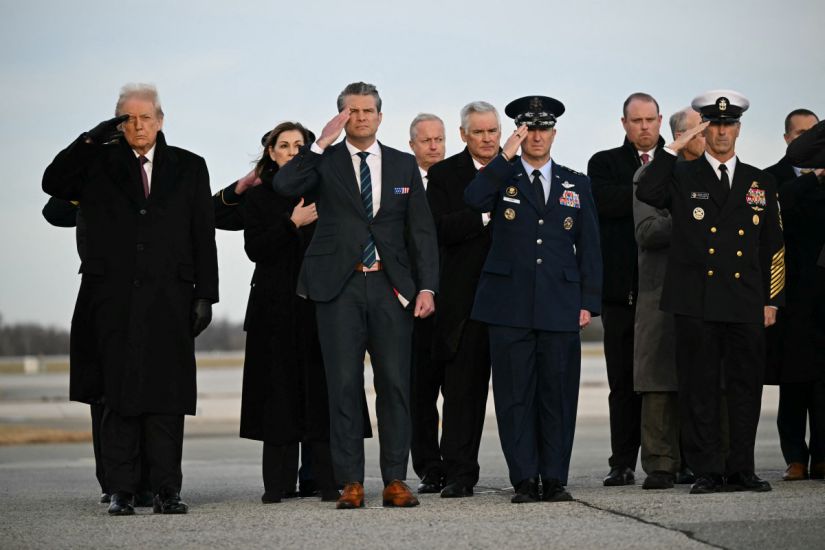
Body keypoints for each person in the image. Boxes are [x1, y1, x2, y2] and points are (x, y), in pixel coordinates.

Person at [42, 83, 218, 515]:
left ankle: (166, 489)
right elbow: (53, 182)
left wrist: (205, 295)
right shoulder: (97, 163)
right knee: (115, 394)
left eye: (145, 118)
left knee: (166, 395)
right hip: (111, 297)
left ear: (160, 120)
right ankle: (120, 489)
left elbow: (202, 234)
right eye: (128, 119)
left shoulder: (190, 166)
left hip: (169, 297)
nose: (138, 126)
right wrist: (89, 139)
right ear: (117, 123)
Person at [272, 82, 439, 509]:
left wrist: (426, 286)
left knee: (395, 386)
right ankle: (350, 481)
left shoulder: (403, 165)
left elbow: (420, 230)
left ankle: (395, 480)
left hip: (391, 287)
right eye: (352, 111)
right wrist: (322, 141)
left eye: (368, 110)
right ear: (341, 116)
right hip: (338, 286)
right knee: (343, 386)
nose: (361, 117)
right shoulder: (323, 162)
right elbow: (285, 185)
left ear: (380, 117)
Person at [636, 89, 784, 494]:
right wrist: (673, 148)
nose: (721, 132)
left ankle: (742, 469)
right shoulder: (682, 174)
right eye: (714, 125)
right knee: (699, 389)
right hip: (695, 299)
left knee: (744, 388)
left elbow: (774, 244)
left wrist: (772, 299)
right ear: (704, 129)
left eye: (728, 124)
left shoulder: (761, 181)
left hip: (745, 299)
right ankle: (706, 471)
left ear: (738, 129)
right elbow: (647, 192)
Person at [465, 95, 601, 503]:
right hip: (507, 305)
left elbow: (590, 246)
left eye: (544, 129)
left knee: (558, 394)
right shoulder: (501, 176)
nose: (537, 136)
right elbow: (472, 199)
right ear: (519, 134)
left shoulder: (576, 183)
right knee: (514, 396)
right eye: (530, 129)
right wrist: (504, 155)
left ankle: (555, 478)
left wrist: (588, 302)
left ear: (554, 134)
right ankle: (525, 478)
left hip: (560, 304)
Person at [421, 101, 499, 497]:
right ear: (465, 134)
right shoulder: (445, 174)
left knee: (516, 395)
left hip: (513, 302)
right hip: (464, 304)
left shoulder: (519, 169)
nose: (487, 139)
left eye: (493, 132)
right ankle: (459, 474)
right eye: (479, 132)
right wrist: (484, 215)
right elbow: (439, 228)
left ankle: (533, 473)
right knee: (462, 396)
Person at [588, 92, 665, 486]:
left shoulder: (677, 163)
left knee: (667, 382)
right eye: (636, 121)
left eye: (650, 119)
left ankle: (672, 459)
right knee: (622, 383)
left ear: (660, 120)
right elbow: (608, 204)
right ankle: (622, 461)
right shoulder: (604, 163)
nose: (644, 127)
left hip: (667, 296)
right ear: (624, 124)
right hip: (620, 293)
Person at [631, 107, 705, 490]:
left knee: (705, 377)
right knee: (659, 380)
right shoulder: (650, 174)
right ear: (679, 136)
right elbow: (647, 230)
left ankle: (701, 459)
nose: (706, 137)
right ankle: (661, 463)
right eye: (699, 130)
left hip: (706, 293)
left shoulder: (716, 175)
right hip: (660, 292)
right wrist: (696, 218)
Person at [764, 109, 825, 481]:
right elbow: (780, 205)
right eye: (800, 134)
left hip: (823, 295)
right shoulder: (773, 177)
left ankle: (822, 455)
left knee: (822, 384)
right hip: (789, 294)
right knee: (793, 381)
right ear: (788, 139)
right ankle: (795, 457)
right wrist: (814, 180)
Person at [406, 113, 448, 493]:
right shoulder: (403, 184)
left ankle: (454, 463)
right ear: (412, 146)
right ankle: (428, 468)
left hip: (454, 302)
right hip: (414, 305)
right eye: (426, 141)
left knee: (458, 391)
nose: (434, 147)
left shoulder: (456, 181)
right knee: (419, 393)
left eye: (439, 139)